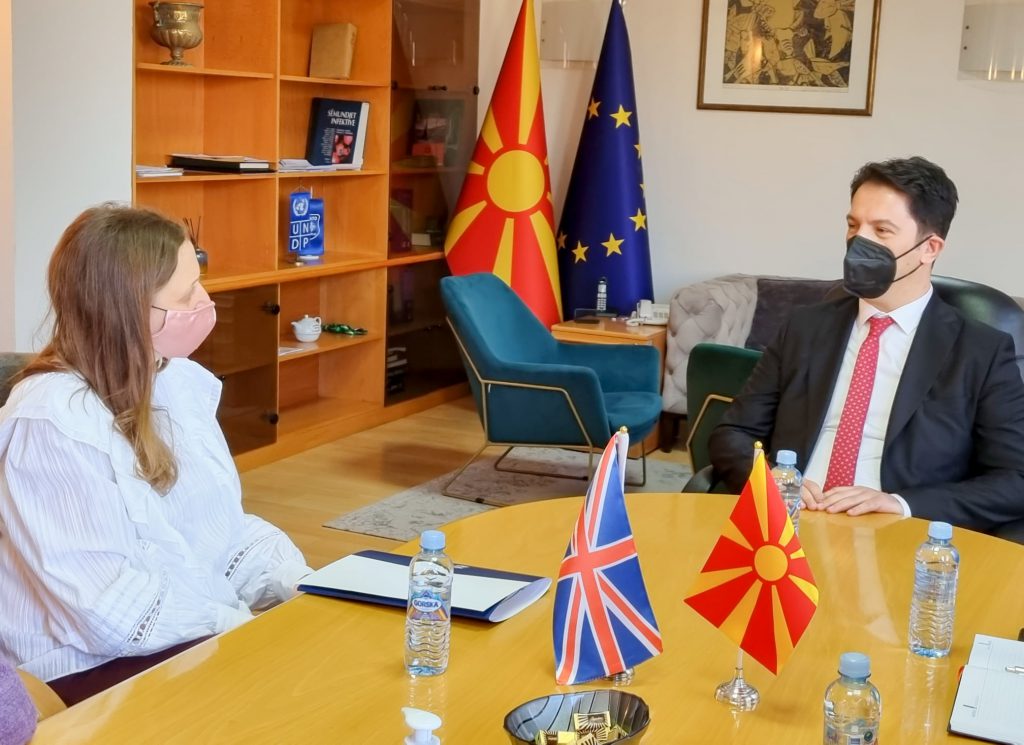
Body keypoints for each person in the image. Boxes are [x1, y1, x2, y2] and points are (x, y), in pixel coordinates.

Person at [0, 204, 314, 705]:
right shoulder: (51, 421)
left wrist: (300, 583)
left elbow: (220, 530)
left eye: (200, 283)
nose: (205, 302)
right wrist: (233, 623)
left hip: (175, 636)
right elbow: (107, 610)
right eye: (186, 295)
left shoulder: (173, 380)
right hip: (88, 667)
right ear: (125, 309)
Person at [709, 156, 1024, 540]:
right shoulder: (805, 328)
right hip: (788, 526)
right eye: (853, 225)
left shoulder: (980, 351)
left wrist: (901, 503)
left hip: (897, 535)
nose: (860, 242)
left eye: (882, 230)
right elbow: (733, 433)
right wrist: (769, 477)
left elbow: (1015, 479)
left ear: (929, 248)